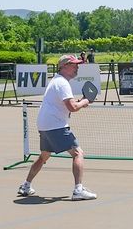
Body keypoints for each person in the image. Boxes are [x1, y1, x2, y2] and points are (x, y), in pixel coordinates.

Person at [17, 54, 97, 201]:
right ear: (64, 66)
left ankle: (26, 186)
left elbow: (67, 104)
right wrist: (85, 101)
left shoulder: (57, 81)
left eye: (77, 64)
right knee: (78, 153)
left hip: (45, 125)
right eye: (74, 65)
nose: (77, 67)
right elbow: (72, 107)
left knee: (44, 156)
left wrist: (80, 103)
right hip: (55, 125)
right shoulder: (62, 83)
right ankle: (78, 190)